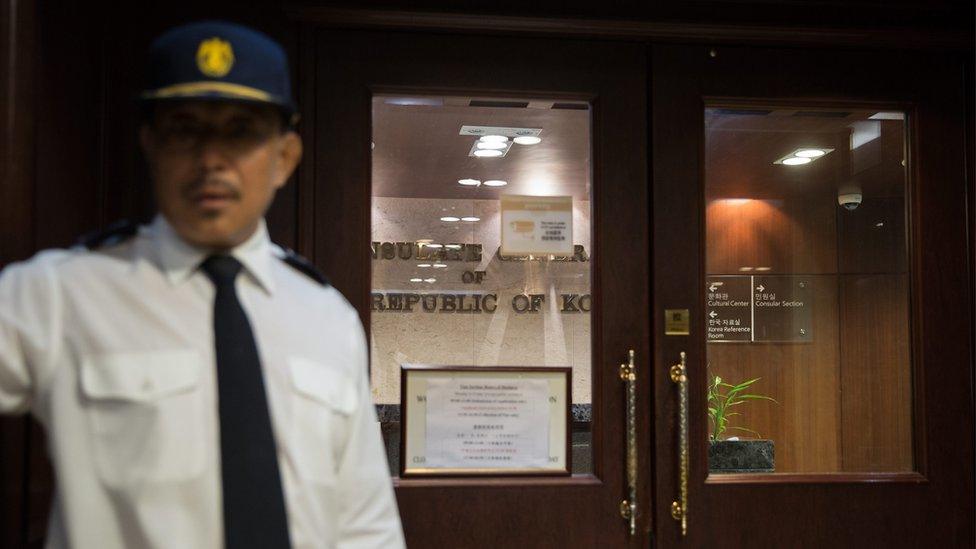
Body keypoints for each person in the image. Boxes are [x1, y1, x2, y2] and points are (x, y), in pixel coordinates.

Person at [0, 20, 405, 549]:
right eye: (184, 129)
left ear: (284, 158)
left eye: (240, 130)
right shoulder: (59, 293)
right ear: (150, 144)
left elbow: (364, 527)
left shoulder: (329, 317)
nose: (211, 159)